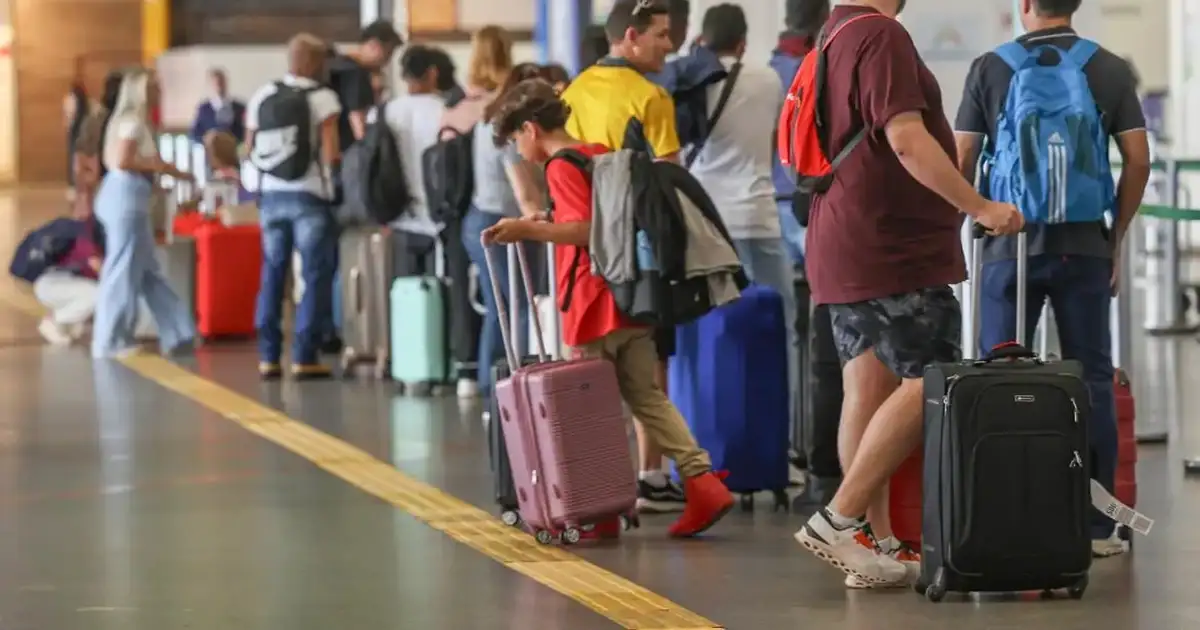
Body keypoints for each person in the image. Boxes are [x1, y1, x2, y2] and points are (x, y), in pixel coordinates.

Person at [790, 0, 1023, 588]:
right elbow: (906, 139)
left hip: (839, 237)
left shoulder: (832, 35)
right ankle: (841, 519)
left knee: (865, 388)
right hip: (888, 244)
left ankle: (873, 544)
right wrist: (981, 206)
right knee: (934, 379)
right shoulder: (882, 35)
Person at [484, 78, 735, 538]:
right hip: (629, 298)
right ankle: (702, 481)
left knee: (588, 408)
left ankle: (598, 511)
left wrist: (528, 230)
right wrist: (547, 220)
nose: (520, 152)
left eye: (517, 139)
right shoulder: (597, 152)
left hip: (591, 302)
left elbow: (583, 229)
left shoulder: (561, 166)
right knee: (647, 397)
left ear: (531, 128)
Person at [954, 0, 1151, 558]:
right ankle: (1098, 526)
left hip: (1005, 244)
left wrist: (968, 222)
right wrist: (1116, 234)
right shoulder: (1108, 68)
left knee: (997, 380)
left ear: (1024, 5)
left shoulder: (990, 67)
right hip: (1084, 245)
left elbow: (963, 154)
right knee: (1090, 379)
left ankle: (996, 514)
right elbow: (1137, 158)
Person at [561, 0, 687, 514]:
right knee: (650, 359)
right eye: (660, 34)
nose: (669, 44)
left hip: (583, 244)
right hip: (639, 250)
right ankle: (651, 473)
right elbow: (670, 179)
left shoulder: (573, 90)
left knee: (589, 361)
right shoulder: (651, 97)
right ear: (630, 36)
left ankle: (593, 477)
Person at [688, 2, 800, 449]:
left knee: (712, 333)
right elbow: (776, 143)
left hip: (707, 227)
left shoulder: (692, 82)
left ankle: (710, 438)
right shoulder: (768, 79)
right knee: (782, 330)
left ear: (702, 40)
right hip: (759, 218)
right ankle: (783, 438)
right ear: (743, 41)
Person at [246, 33, 343, 380]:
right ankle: (305, 355)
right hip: (309, 196)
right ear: (316, 63)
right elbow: (330, 154)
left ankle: (268, 357)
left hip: (271, 197)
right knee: (315, 274)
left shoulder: (263, 95)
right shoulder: (324, 99)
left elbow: (250, 150)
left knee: (273, 272)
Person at [91, 68, 197, 359]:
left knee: (149, 271)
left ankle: (178, 332)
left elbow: (148, 160)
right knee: (121, 270)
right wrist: (158, 168)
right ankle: (110, 339)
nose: (159, 93)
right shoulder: (132, 124)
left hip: (131, 199)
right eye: (153, 88)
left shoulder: (137, 124)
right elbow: (124, 160)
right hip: (125, 199)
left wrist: (178, 173)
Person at [462, 62, 547, 401]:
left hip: (480, 217)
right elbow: (524, 192)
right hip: (501, 223)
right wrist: (547, 224)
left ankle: (491, 383)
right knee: (520, 306)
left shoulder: (488, 119)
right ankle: (516, 384)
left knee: (501, 307)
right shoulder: (508, 131)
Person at [771, 0, 829, 266]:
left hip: (771, 204)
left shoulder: (769, 71)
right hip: (809, 200)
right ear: (823, 17)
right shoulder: (820, 70)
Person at [381, 45, 457, 238]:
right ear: (433, 73)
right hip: (438, 211)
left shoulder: (385, 112)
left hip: (396, 210)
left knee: (400, 268)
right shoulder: (446, 112)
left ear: (403, 76)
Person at [189, 68, 246, 145]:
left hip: (233, 152)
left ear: (226, 83)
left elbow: (246, 132)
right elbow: (194, 134)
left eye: (221, 82)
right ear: (211, 85)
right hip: (212, 154)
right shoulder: (204, 109)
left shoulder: (239, 107)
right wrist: (207, 137)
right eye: (216, 83)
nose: (219, 86)